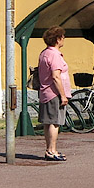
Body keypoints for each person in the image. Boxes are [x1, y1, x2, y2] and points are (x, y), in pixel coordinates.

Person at [37, 25, 72, 162]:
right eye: (62, 37)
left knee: (48, 123)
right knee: (55, 123)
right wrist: (63, 95)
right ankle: (52, 150)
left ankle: (49, 149)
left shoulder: (44, 53)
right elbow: (56, 76)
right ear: (58, 39)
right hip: (54, 93)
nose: (64, 39)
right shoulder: (54, 54)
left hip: (45, 92)